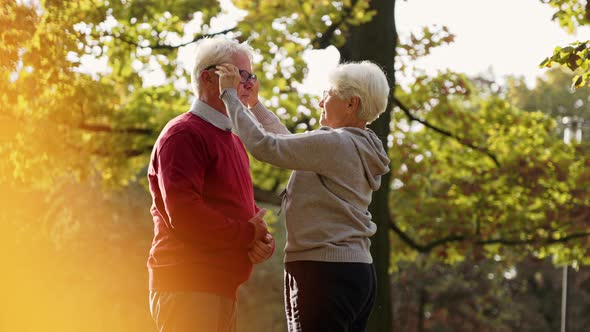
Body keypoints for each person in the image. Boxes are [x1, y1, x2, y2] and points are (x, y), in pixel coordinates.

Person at [216, 61, 391, 332]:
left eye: (328, 93)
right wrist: (255, 106)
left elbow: (268, 147)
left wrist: (229, 96)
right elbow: (290, 146)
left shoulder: (336, 143)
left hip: (322, 272)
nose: (321, 102)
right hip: (357, 272)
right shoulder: (360, 145)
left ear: (351, 104)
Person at [146, 36, 275, 332]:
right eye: (239, 76)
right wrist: (246, 233)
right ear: (208, 77)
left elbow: (245, 210)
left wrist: (261, 241)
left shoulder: (235, 141)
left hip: (220, 286)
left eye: (251, 77)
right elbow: (186, 214)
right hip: (188, 283)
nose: (247, 85)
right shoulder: (183, 134)